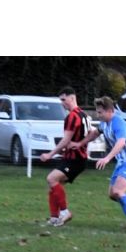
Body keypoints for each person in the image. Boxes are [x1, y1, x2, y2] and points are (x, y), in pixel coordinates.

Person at [72, 96, 126, 230]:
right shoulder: (105, 123)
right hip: (122, 161)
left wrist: (107, 158)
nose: (98, 115)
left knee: (118, 191)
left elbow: (121, 142)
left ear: (110, 111)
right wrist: (80, 143)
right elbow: (95, 133)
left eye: (100, 112)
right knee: (112, 194)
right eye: (97, 112)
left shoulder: (118, 122)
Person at [40, 87, 91, 226]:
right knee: (54, 187)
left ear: (72, 98)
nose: (62, 103)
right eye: (61, 100)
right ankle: (54, 218)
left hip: (75, 159)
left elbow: (66, 140)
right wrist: (78, 144)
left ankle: (65, 212)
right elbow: (88, 135)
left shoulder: (72, 116)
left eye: (64, 100)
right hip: (76, 158)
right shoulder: (84, 115)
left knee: (51, 179)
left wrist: (50, 154)